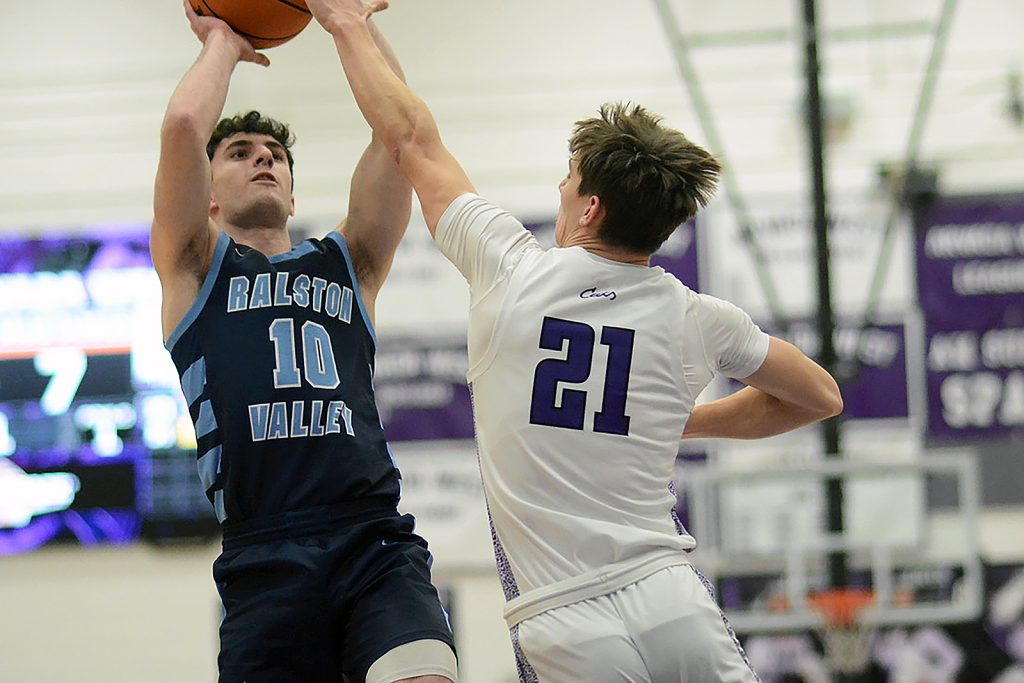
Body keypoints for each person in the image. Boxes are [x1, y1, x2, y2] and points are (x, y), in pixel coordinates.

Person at [305, 1, 843, 681]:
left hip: (563, 615)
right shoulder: (699, 316)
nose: (559, 187)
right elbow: (819, 396)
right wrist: (685, 422)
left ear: (590, 208)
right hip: (670, 594)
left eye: (568, 178)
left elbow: (409, 136)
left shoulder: (511, 268)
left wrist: (344, 21)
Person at [150, 4, 457, 682]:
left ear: (291, 194)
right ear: (206, 196)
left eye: (277, 156)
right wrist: (223, 46)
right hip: (265, 554)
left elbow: (399, 134)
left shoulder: (350, 261)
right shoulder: (195, 269)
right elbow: (180, 127)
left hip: (372, 538)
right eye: (240, 152)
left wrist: (351, 21)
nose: (265, 158)